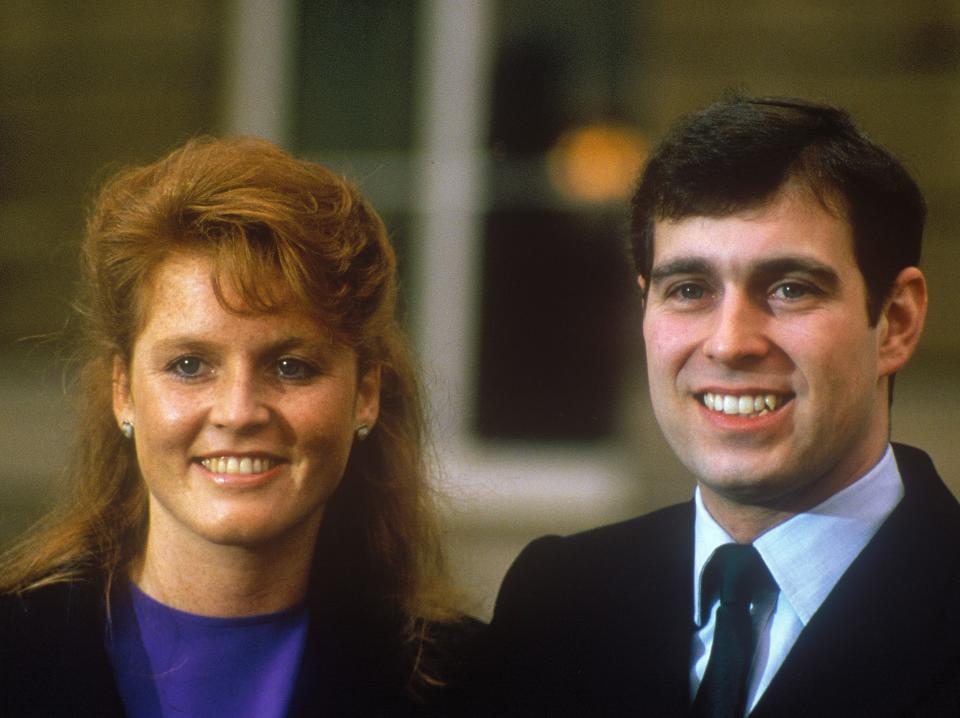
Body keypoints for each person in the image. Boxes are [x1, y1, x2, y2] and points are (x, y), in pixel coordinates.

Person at [475, 96, 960, 716]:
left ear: (895, 321)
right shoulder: (557, 600)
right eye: (689, 289)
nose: (730, 342)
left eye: (790, 288)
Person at [0, 137, 471, 716]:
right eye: (190, 365)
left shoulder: (470, 681)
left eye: (291, 367)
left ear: (365, 395)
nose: (239, 411)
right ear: (123, 391)